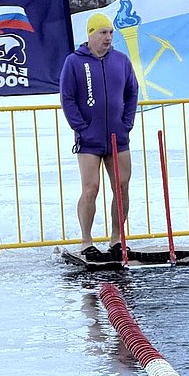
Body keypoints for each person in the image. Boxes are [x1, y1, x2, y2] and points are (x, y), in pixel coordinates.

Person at [60, 13, 139, 261]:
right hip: (89, 139)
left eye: (110, 32)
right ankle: (86, 241)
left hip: (118, 136)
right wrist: (81, 127)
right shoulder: (74, 62)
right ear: (91, 34)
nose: (108, 37)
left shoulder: (121, 61)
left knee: (121, 186)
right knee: (91, 188)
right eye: (103, 32)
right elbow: (68, 98)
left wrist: (126, 123)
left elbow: (132, 91)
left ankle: (117, 239)